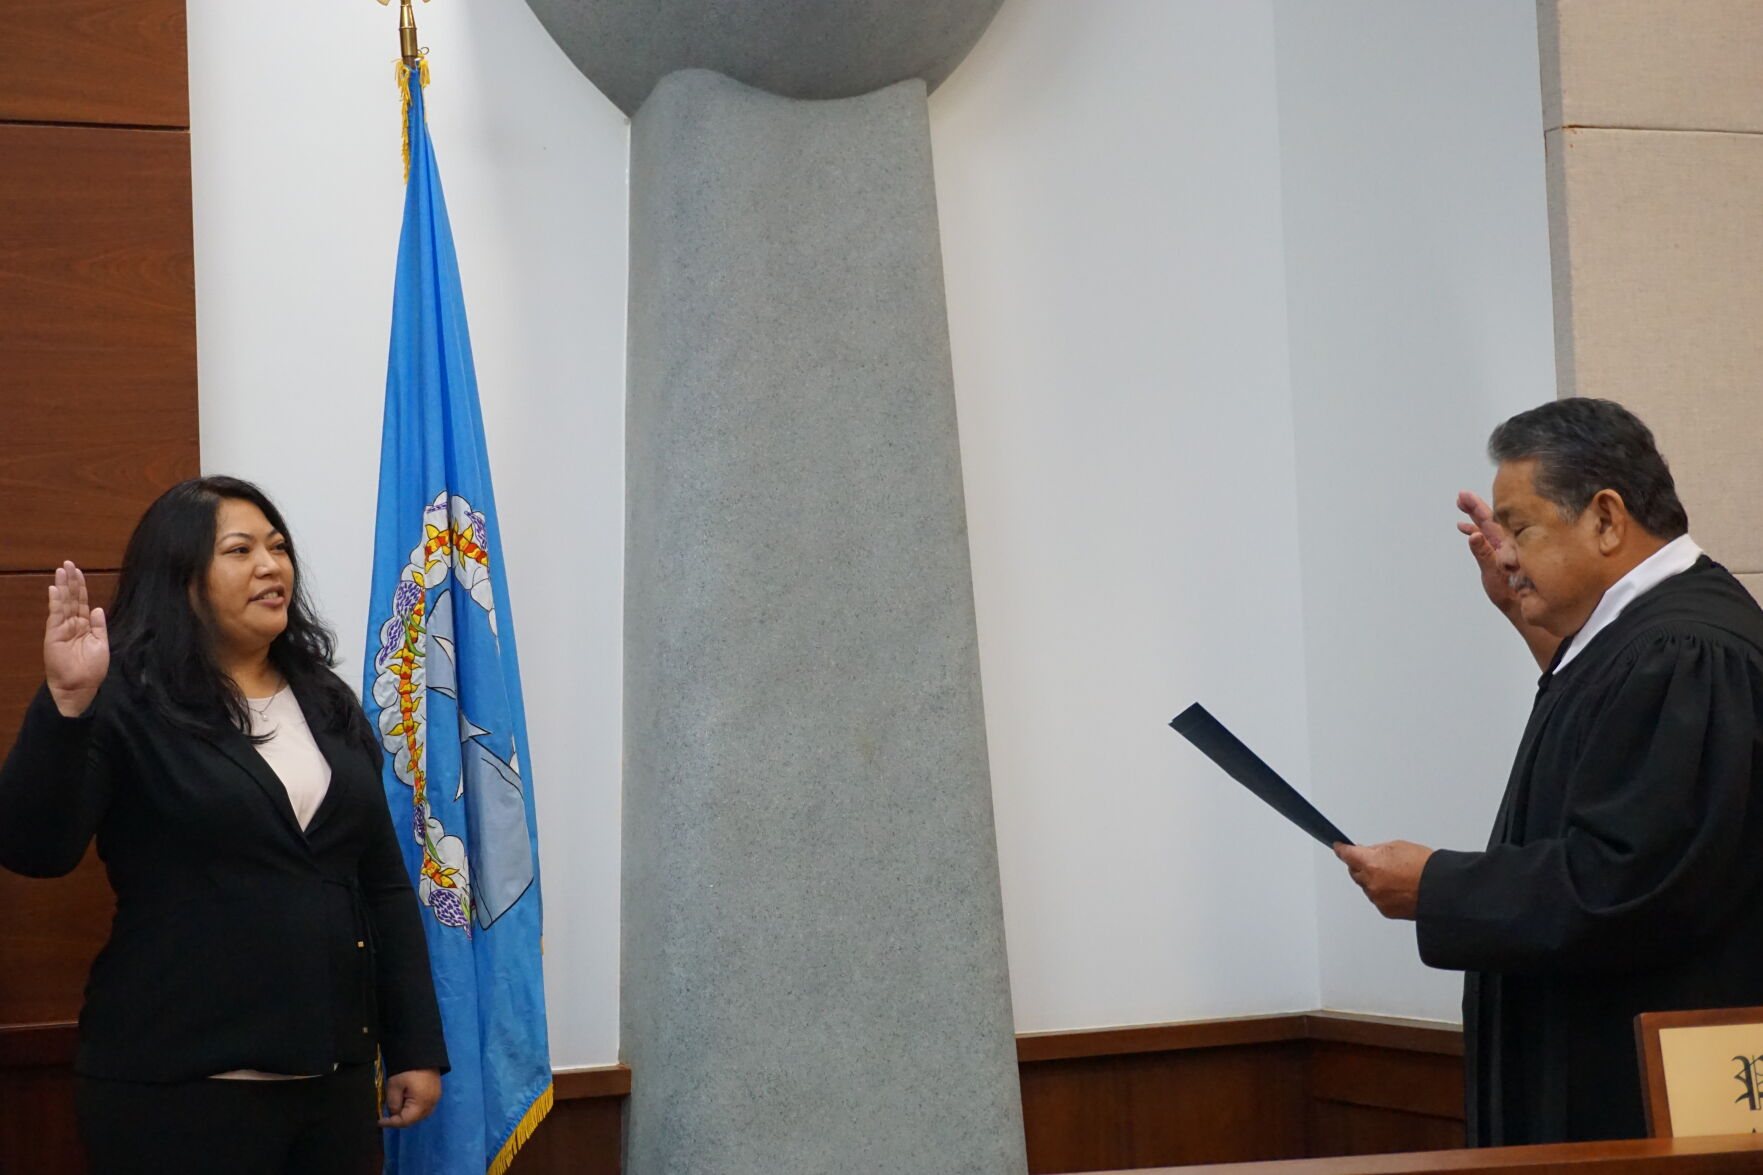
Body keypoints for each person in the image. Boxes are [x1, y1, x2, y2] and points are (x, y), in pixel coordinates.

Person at [1334, 398, 1763, 1146]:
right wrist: (1526, 618)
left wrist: (1435, 886)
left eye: (1521, 528)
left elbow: (1626, 882)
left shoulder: (1684, 652)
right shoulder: (1637, 639)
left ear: (1604, 518)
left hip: (1641, 1105)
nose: (1503, 554)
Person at [0, 477, 449, 1174]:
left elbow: (382, 883)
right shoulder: (126, 697)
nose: (272, 565)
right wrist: (67, 703)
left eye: (277, 546)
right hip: (177, 1086)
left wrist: (413, 1042)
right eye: (240, 549)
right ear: (181, 580)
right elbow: (35, 848)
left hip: (331, 1085)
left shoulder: (327, 702)